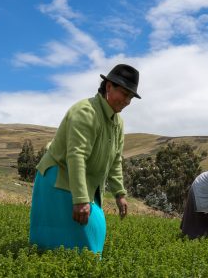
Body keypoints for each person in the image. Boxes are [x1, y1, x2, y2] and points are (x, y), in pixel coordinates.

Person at [29, 64, 141, 254]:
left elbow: (115, 161)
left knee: (92, 237)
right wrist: (80, 200)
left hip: (84, 183)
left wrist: (120, 194)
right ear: (108, 86)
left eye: (130, 97)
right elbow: (76, 155)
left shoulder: (117, 123)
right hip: (59, 178)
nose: (127, 101)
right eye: (124, 93)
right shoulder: (85, 111)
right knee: (64, 242)